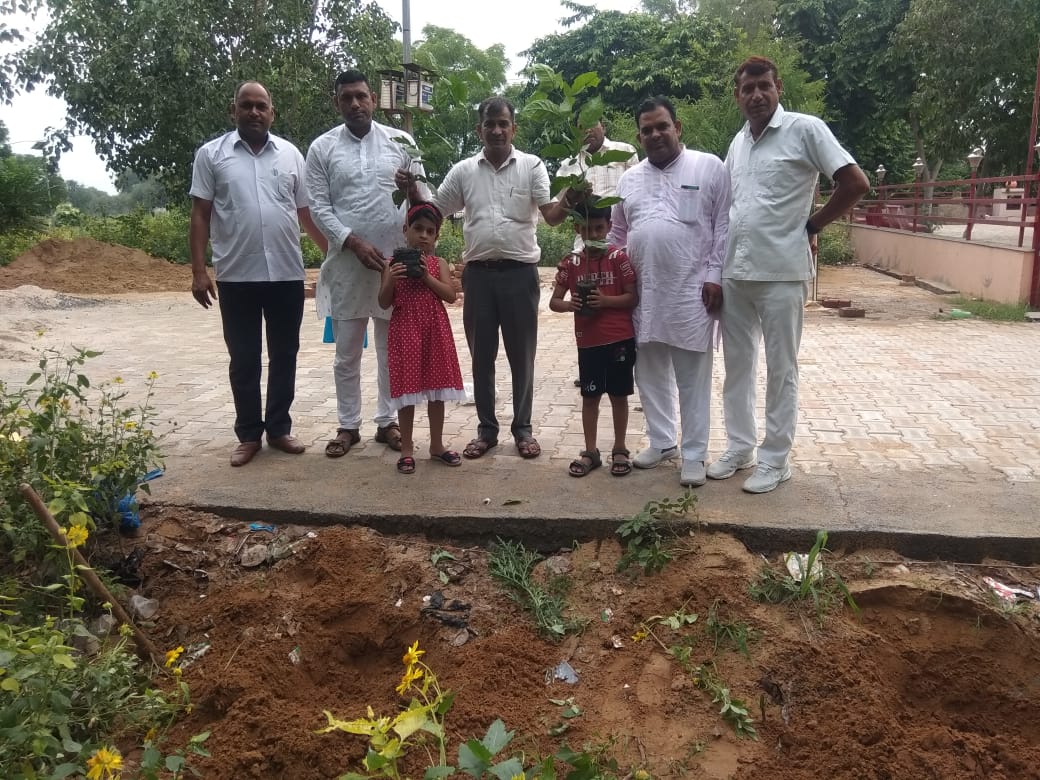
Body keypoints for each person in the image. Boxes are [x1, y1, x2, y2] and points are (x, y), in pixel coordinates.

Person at [707, 56, 869, 493]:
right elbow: (731, 208)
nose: (756, 95)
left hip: (781, 271)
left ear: (778, 87)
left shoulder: (805, 129)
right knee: (737, 366)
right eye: (747, 89)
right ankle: (740, 447)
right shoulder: (737, 143)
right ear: (737, 95)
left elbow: (855, 182)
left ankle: (775, 459)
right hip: (737, 272)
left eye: (764, 86)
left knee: (782, 369)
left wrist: (813, 225)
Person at [396, 96, 574, 461]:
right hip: (478, 277)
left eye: (503, 123)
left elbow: (552, 216)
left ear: (513, 128)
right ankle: (486, 430)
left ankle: (523, 430)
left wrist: (571, 194)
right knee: (481, 357)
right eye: (489, 124)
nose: (496, 130)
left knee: (522, 356)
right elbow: (434, 210)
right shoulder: (463, 171)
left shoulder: (532, 166)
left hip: (520, 275)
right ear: (479, 129)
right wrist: (412, 190)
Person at [189, 81, 328, 467]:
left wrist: (332, 256)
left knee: (285, 354)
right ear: (233, 110)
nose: (254, 112)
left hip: (285, 273)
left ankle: (279, 429)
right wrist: (200, 270)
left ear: (272, 112)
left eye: (261, 106)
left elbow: (305, 212)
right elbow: (200, 213)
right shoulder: (212, 155)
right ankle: (249, 434)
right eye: (246, 105)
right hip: (236, 276)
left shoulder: (290, 155)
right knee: (245, 357)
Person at [607, 96, 731, 487]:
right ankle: (662, 442)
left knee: (692, 376)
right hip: (643, 292)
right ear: (639, 136)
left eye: (662, 126)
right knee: (649, 371)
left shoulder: (708, 166)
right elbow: (617, 235)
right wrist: (600, 264)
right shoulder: (629, 179)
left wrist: (715, 274)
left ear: (678, 127)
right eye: (647, 130)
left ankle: (694, 453)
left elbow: (724, 225)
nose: (655, 134)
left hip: (692, 291)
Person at [305, 70, 429, 459]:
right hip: (347, 264)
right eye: (347, 98)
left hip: (394, 264)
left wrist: (411, 187)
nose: (355, 104)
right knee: (346, 352)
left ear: (373, 99)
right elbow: (318, 207)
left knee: (390, 349)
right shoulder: (322, 148)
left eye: (361, 96)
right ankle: (348, 424)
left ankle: (387, 421)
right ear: (337, 103)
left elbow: (425, 203)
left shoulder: (401, 142)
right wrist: (350, 240)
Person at [549, 198, 638, 477]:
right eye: (587, 229)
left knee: (619, 395)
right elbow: (554, 302)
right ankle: (590, 451)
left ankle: (620, 448)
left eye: (599, 228)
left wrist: (606, 301)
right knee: (590, 397)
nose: (594, 235)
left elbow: (633, 297)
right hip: (587, 342)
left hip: (619, 339)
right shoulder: (571, 261)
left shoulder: (619, 258)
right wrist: (570, 305)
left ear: (609, 226)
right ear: (577, 228)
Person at [377, 203, 466, 474]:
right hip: (405, 330)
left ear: (436, 236)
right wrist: (391, 278)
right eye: (418, 229)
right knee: (407, 391)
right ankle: (406, 449)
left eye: (430, 231)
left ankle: (436, 445)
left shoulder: (436, 263)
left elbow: (450, 296)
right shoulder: (391, 264)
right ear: (406, 231)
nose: (424, 235)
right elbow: (383, 303)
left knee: (437, 390)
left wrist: (426, 275)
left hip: (434, 329)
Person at [556, 120, 639, 387]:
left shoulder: (624, 152)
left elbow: (638, 193)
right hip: (585, 246)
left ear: (603, 125)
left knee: (624, 307)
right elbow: (560, 207)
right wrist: (572, 196)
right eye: (580, 127)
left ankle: (626, 364)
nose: (588, 132)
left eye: (592, 125)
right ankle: (590, 363)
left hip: (620, 244)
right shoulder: (569, 164)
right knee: (588, 304)